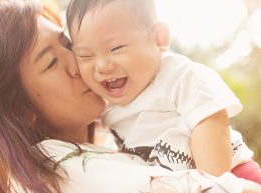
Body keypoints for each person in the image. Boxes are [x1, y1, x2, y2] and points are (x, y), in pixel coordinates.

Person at [0, 0, 261, 193]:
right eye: (52, 62)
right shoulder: (57, 170)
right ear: (21, 108)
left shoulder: (168, 80)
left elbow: (210, 124)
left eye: (68, 45)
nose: (81, 64)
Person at [67, 0, 261, 183]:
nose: (102, 66)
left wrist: (212, 188)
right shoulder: (104, 107)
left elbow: (211, 121)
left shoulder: (178, 75)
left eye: (116, 48)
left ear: (159, 38)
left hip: (233, 176)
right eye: (85, 56)